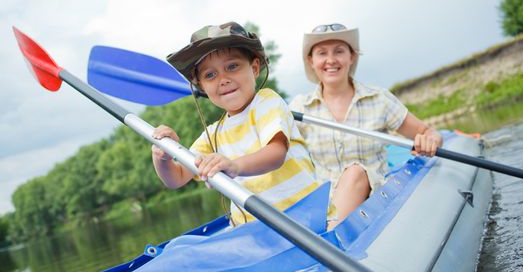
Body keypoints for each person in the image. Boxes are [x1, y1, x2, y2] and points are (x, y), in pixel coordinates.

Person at [151, 22, 324, 226]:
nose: (222, 79)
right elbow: (177, 178)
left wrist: (234, 166)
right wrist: (162, 157)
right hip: (253, 233)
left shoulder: (267, 103)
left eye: (232, 67)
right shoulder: (212, 135)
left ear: (254, 68)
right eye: (210, 75)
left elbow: (276, 153)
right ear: (202, 87)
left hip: (305, 219)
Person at [289, 23, 443, 229]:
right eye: (322, 53)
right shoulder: (299, 108)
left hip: (376, 200)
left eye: (339, 51)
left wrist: (429, 141)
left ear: (352, 57)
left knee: (355, 172)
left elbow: (427, 132)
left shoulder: (379, 99)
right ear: (311, 61)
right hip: (322, 205)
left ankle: (329, 242)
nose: (331, 60)